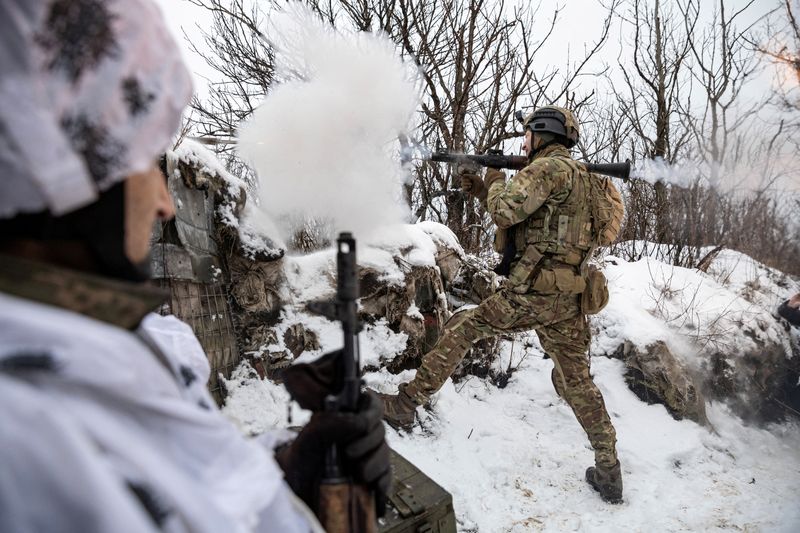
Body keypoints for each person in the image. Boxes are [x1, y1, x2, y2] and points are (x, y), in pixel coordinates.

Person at [0, 1, 389, 531]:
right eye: (145, 162)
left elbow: (191, 483)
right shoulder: (26, 436)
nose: (163, 203)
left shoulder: (110, 345)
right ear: (55, 164)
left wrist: (287, 467)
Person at [377, 106, 623, 503]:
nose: (523, 142)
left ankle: (406, 405)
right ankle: (610, 471)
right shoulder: (588, 180)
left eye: (527, 135)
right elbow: (537, 222)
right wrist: (480, 187)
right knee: (578, 383)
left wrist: (494, 179)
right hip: (569, 298)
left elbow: (506, 209)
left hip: (531, 295)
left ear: (542, 134)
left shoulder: (547, 169)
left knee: (463, 326)